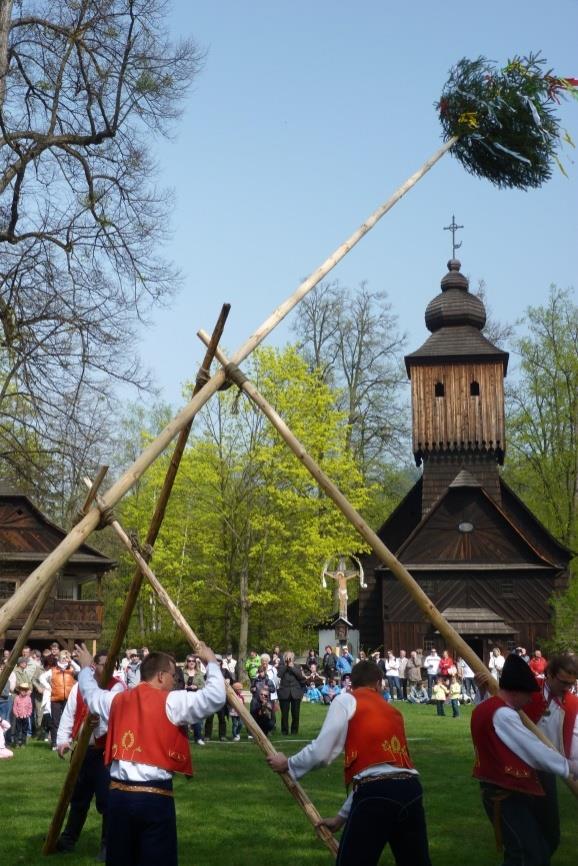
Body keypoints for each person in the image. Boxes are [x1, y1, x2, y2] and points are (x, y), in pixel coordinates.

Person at [267, 659, 432, 866]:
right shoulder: (394, 712)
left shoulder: (346, 700)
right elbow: (380, 770)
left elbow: (323, 751)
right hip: (410, 790)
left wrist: (288, 764)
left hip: (375, 794)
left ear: (351, 684)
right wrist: (341, 817)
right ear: (380, 684)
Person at [76, 641, 225, 866]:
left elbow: (90, 693)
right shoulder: (173, 701)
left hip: (119, 797)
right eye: (173, 676)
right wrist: (211, 662)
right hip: (154, 797)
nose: (175, 681)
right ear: (161, 676)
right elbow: (214, 697)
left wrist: (87, 669)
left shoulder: (116, 700)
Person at [471, 653, 578, 866]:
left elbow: (573, 737)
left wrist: (571, 766)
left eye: (571, 683)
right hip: (509, 783)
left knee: (545, 838)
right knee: (524, 850)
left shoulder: (572, 704)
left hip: (537, 774)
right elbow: (531, 748)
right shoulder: (504, 712)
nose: (531, 699)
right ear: (549, 675)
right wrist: (568, 767)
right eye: (562, 681)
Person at [56, 649, 126, 860]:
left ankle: (108, 846)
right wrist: (63, 740)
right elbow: (69, 714)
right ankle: (68, 840)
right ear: (94, 665)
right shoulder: (79, 687)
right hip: (84, 752)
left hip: (106, 752)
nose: (108, 667)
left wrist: (99, 725)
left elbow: (113, 714)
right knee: (78, 798)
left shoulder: (119, 687)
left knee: (107, 801)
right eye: (104, 663)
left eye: (111, 663)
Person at [277, 651, 305, 735]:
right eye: (287, 657)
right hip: (284, 693)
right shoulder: (281, 666)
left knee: (295, 713)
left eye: (290, 657)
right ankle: (284, 731)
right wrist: (286, 666)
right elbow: (279, 675)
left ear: (293, 658)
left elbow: (300, 677)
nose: (289, 659)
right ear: (284, 658)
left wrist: (292, 667)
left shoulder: (297, 666)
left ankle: (294, 731)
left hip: (295, 693)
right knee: (284, 715)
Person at [12, 682, 33, 746]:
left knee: (24, 731)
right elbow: (14, 707)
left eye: (25, 690)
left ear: (27, 691)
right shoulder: (17, 698)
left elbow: (30, 707)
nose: (24, 691)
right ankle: (16, 743)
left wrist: (28, 714)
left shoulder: (29, 698)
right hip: (18, 717)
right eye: (22, 690)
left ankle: (23, 743)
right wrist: (16, 714)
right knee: (17, 730)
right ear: (20, 690)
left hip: (25, 716)